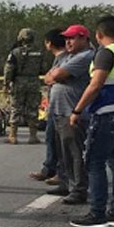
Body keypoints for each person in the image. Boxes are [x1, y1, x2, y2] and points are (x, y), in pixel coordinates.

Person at [69, 15, 114, 227]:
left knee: (94, 162)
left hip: (108, 115)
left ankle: (97, 214)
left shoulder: (105, 53)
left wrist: (77, 110)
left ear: (98, 34)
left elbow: (96, 84)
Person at [44, 25, 94, 204]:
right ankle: (66, 182)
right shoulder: (68, 56)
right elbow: (49, 77)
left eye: (72, 38)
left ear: (84, 38)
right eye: (66, 38)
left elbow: (58, 74)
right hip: (59, 111)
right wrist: (54, 76)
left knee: (74, 152)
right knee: (63, 152)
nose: (68, 42)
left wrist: (56, 76)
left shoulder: (85, 56)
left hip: (72, 111)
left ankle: (79, 189)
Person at [29, 29, 66, 183]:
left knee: (60, 141)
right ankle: (49, 168)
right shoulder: (58, 58)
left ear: (49, 43)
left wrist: (50, 77)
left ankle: (62, 173)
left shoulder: (66, 58)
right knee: (51, 137)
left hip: (63, 106)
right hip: (54, 105)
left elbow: (51, 78)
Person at [3, 27, 47, 144]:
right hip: (34, 81)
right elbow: (43, 68)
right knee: (33, 108)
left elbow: (9, 69)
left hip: (19, 82)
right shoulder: (39, 52)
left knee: (16, 108)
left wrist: (6, 83)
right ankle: (33, 136)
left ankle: (13, 135)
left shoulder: (15, 52)